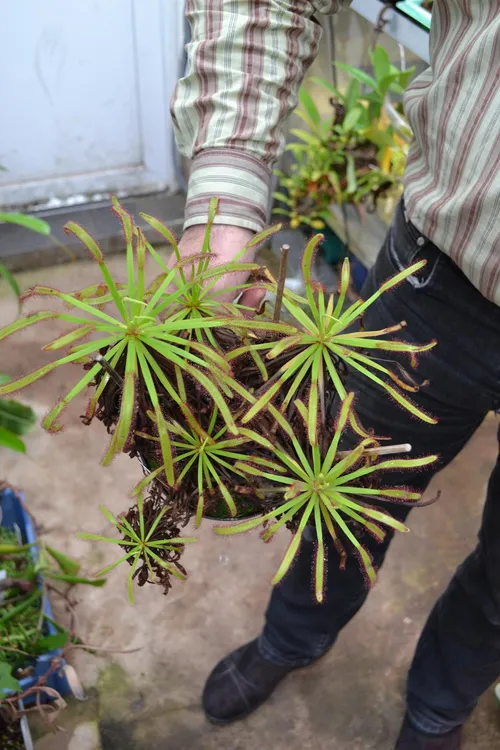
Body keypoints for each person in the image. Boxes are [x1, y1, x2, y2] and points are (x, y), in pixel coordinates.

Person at [170, 2, 500, 748]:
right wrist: (223, 204)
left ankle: (440, 708)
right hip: (439, 283)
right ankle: (290, 641)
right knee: (343, 495)